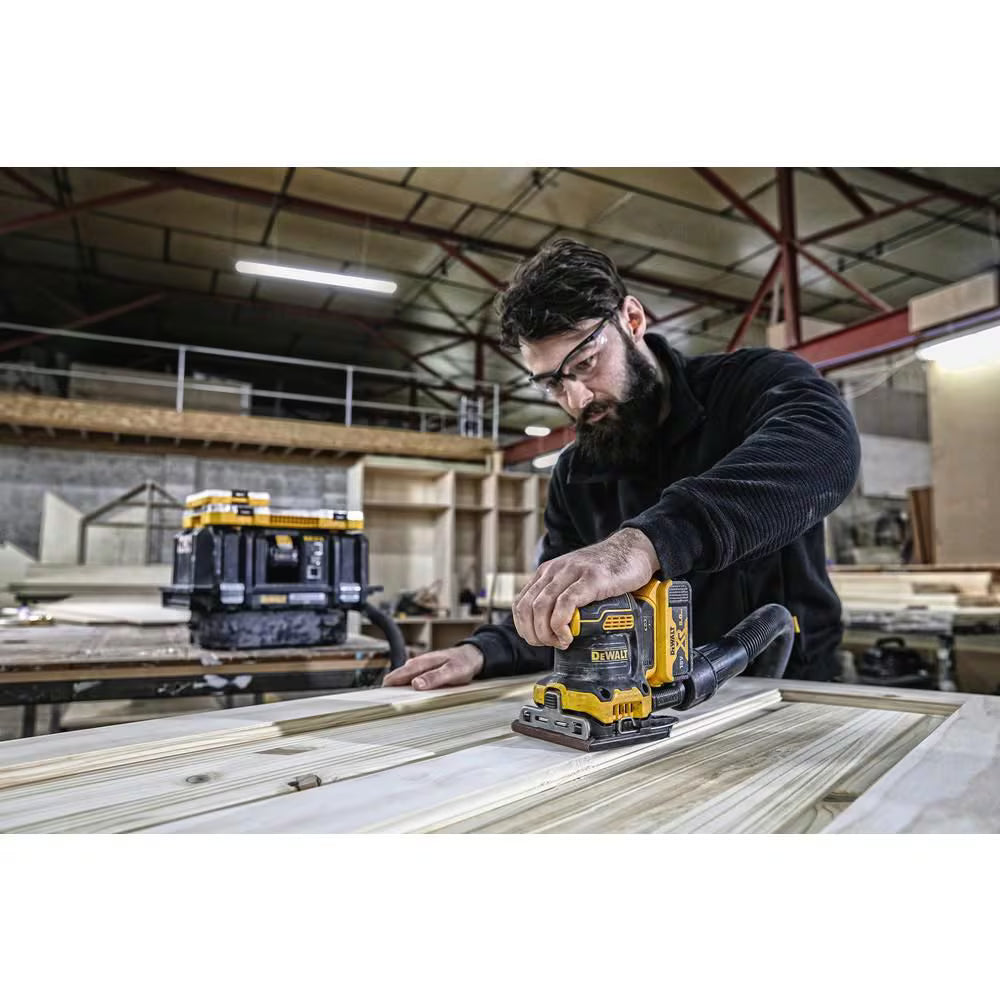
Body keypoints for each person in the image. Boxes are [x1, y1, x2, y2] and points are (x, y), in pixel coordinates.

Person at [383, 238, 861, 690]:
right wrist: (483, 651)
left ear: (631, 319)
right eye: (552, 383)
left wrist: (648, 543)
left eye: (585, 363)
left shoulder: (749, 386)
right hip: (652, 705)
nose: (576, 399)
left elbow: (826, 448)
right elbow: (563, 609)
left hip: (785, 689)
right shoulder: (576, 474)